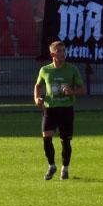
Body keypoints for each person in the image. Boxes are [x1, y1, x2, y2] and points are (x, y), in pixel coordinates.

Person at [34, 41, 84, 180]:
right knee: (46, 136)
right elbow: (38, 86)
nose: (63, 53)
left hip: (66, 109)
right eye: (59, 51)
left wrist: (72, 92)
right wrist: (37, 98)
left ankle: (65, 168)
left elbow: (82, 90)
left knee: (65, 141)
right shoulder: (45, 70)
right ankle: (52, 166)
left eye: (64, 50)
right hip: (50, 109)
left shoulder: (72, 69)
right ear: (52, 54)